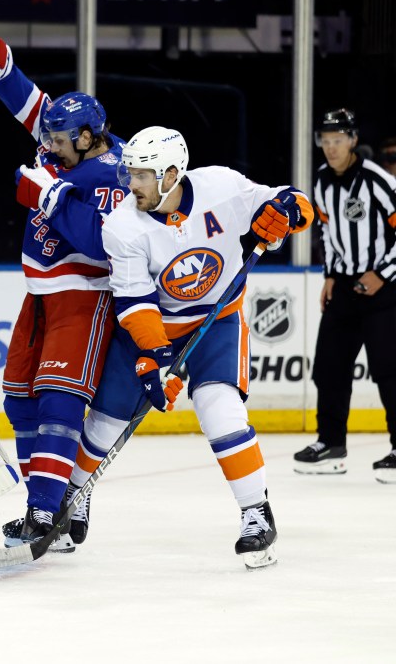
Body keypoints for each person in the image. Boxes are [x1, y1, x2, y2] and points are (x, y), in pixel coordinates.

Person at [85, 125, 312, 568]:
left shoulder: (221, 187)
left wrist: (290, 209)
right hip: (153, 326)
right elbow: (134, 302)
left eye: (141, 176)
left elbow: (287, 199)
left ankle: (256, 513)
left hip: (217, 320)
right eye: (129, 174)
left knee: (219, 407)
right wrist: (155, 357)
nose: (132, 185)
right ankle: (74, 499)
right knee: (106, 420)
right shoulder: (122, 225)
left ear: (172, 174)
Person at [0, 34, 125, 550]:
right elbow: (32, 106)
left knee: (59, 402)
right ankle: (55, 506)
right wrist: (2, 64)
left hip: (85, 295)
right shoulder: (67, 137)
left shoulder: (115, 173)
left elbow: (103, 245)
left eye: (57, 142)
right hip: (39, 294)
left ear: (86, 137)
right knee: (19, 401)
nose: (47, 145)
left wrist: (48, 194)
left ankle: (47, 511)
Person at [293, 109, 396, 483]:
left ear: (353, 140)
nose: (331, 148)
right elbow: (328, 231)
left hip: (385, 289)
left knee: (390, 370)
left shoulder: (377, 181)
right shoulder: (320, 181)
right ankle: (331, 445)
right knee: (329, 368)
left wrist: (381, 274)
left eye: (338, 140)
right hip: (346, 288)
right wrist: (331, 275)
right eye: (325, 140)